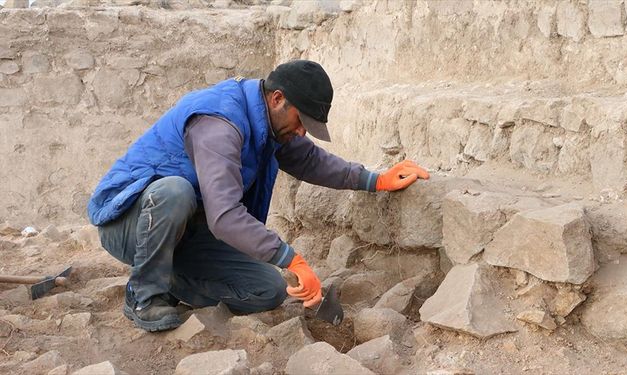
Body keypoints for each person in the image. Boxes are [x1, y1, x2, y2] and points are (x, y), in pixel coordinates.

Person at [87, 60, 429, 332]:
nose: (300, 132)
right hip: (129, 223)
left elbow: (309, 159)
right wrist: (292, 259)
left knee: (269, 290)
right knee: (174, 192)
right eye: (300, 121)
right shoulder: (220, 124)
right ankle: (144, 295)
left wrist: (375, 180)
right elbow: (223, 217)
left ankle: (171, 279)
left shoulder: (268, 122)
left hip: (187, 234)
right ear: (278, 98)